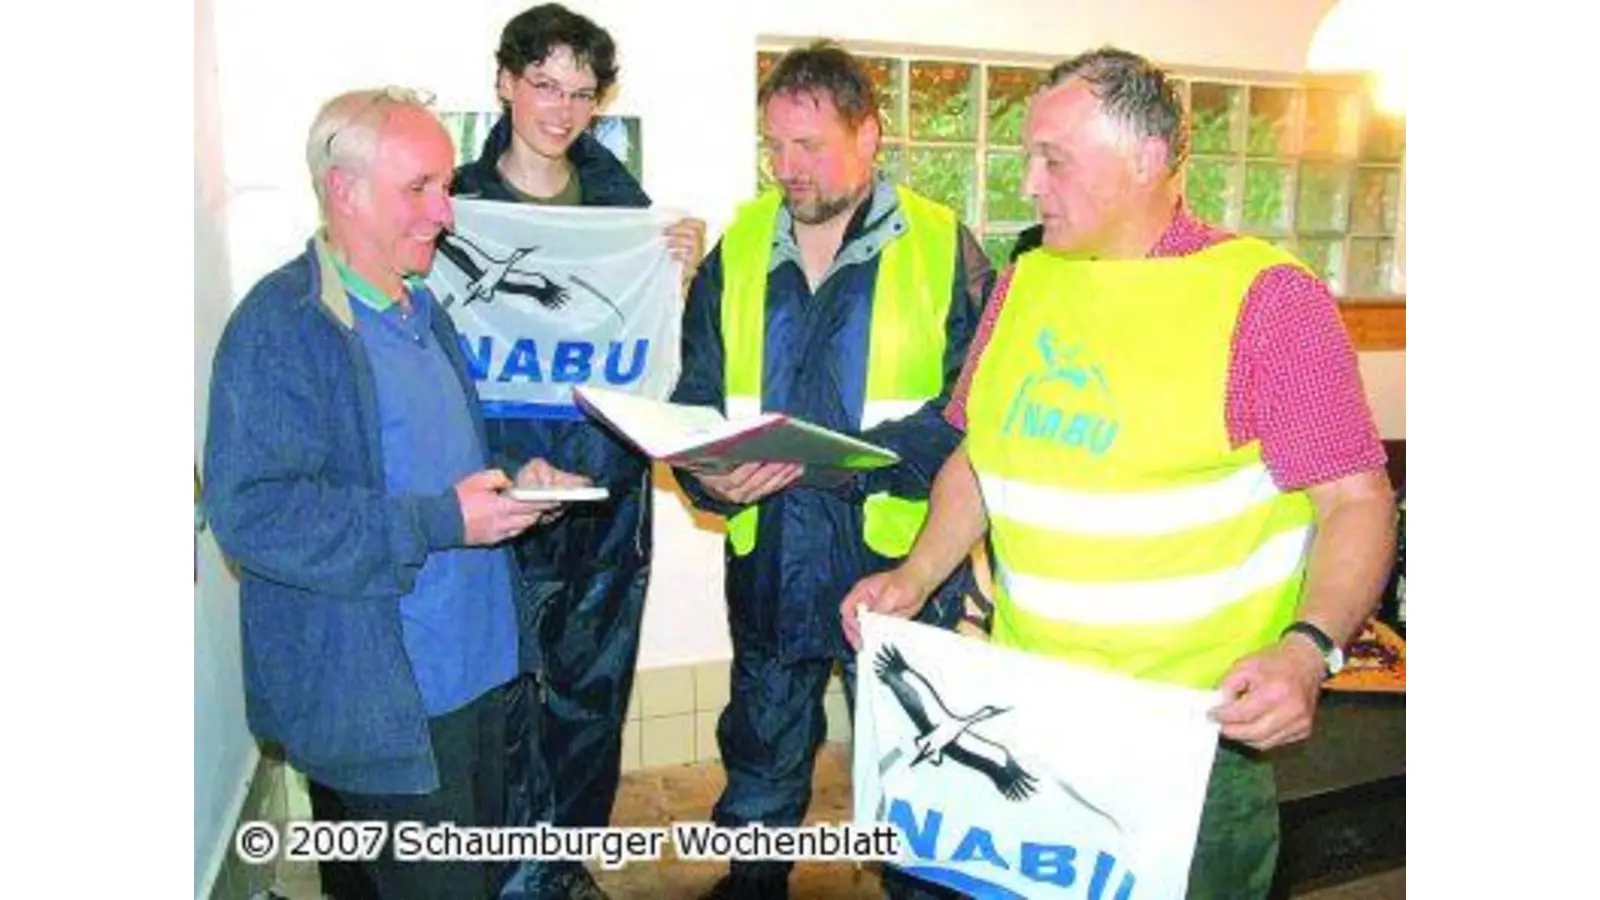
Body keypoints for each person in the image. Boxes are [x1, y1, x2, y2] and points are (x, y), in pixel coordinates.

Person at [841, 47, 1397, 900]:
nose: (1028, 183)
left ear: (1146, 161)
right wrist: (914, 577)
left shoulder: (1267, 300)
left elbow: (1356, 499)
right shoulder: (1023, 284)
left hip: (1195, 738)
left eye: (1052, 159)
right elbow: (976, 458)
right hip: (1035, 715)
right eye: (1028, 156)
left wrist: (1309, 648)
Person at [203, 88, 581, 900]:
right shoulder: (283, 326)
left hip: (476, 679)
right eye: (421, 188)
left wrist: (514, 480)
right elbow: (254, 512)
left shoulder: (422, 310)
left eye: (445, 185)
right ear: (344, 191)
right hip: (387, 707)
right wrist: (445, 519)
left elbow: (437, 459)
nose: (444, 212)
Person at [670, 40, 995, 900]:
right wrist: (709, 476)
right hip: (770, 559)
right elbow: (696, 396)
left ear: (869, 135)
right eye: (773, 146)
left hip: (900, 566)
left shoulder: (943, 248)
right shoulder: (736, 247)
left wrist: (847, 470)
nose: (787, 167)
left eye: (808, 146)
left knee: (920, 767)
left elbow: (977, 413)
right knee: (761, 752)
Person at [449, 6, 706, 899]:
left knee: (591, 697)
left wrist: (680, 272)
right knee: (500, 700)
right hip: (493, 499)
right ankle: (502, 875)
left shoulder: (627, 214)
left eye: (581, 94)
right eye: (544, 85)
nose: (560, 110)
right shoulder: (448, 212)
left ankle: (559, 868)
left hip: (606, 497)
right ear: (506, 83)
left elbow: (662, 365)